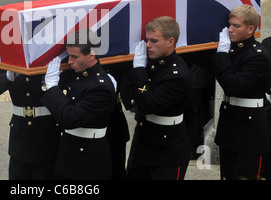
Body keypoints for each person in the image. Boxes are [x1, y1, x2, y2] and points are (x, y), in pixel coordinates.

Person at [41, 29, 117, 179]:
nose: (69, 61)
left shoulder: (100, 86)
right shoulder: (78, 75)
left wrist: (52, 88)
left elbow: (70, 118)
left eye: (74, 56)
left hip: (88, 159)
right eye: (69, 55)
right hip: (68, 151)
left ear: (92, 54)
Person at [126, 16, 192, 180]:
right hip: (144, 142)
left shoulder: (177, 74)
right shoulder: (153, 62)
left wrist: (139, 70)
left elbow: (148, 104)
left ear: (170, 42)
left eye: (154, 41)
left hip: (167, 150)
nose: (148, 45)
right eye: (147, 40)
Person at [213, 4, 271, 180]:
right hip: (230, 125)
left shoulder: (258, 55)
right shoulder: (232, 48)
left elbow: (232, 85)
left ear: (250, 29)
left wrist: (222, 55)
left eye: (236, 26)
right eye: (229, 25)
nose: (230, 30)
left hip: (250, 131)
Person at [0, 65, 61, 179]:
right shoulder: (11, 61)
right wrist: (8, 77)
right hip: (20, 141)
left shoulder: (54, 58)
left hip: (48, 139)